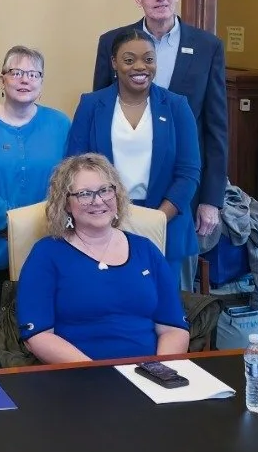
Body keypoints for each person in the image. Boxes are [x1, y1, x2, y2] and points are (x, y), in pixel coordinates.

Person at [92, 0, 227, 241]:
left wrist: (211, 199)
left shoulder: (207, 47)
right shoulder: (112, 43)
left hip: (183, 187)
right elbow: (100, 116)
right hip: (120, 189)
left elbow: (216, 127)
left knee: (174, 277)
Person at [16, 154, 189, 363]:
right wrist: (95, 371)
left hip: (150, 376)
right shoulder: (46, 254)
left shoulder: (146, 250)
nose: (97, 201)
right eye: (84, 194)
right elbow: (37, 336)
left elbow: (174, 329)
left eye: (105, 190)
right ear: (66, 204)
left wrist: (161, 371)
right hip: (80, 377)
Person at [68, 28, 201, 290]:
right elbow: (75, 167)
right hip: (102, 222)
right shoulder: (92, 105)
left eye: (148, 59)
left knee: (162, 311)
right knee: (108, 305)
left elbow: (189, 172)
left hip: (166, 223)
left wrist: (157, 220)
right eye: (129, 60)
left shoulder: (176, 106)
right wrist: (107, 216)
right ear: (114, 63)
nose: (140, 67)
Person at [0, 46, 70, 349]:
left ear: (41, 82)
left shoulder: (60, 124)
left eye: (33, 74)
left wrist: (35, 221)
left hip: (45, 239)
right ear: (2, 79)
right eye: (16, 72)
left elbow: (69, 179)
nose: (25, 80)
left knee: (36, 333)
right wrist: (8, 219)